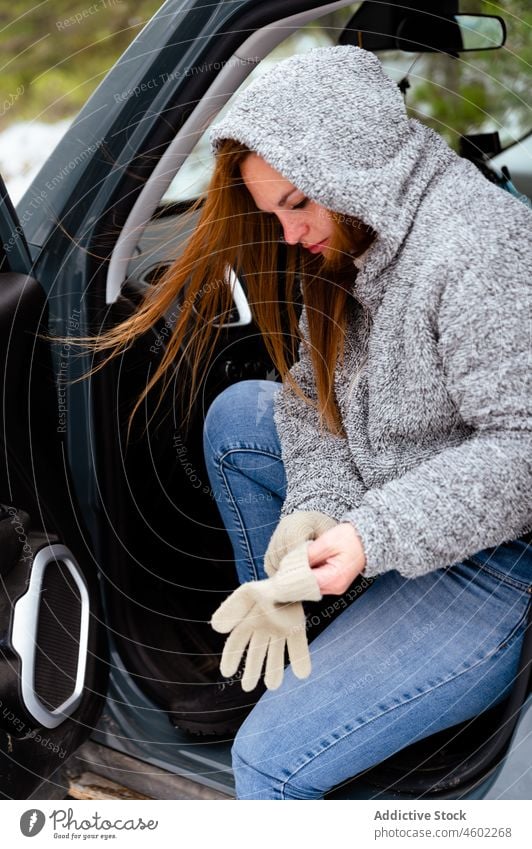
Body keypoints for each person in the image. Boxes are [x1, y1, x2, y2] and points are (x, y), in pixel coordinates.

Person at [95, 45, 532, 799]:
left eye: (298, 202)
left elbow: (522, 452)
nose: (290, 233)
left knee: (268, 762)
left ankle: (318, 707)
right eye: (275, 213)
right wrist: (314, 509)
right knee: (239, 418)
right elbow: (309, 390)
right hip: (392, 493)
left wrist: (367, 535)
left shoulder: (477, 247)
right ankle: (302, 647)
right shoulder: (354, 240)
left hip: (490, 562)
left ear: (355, 163)